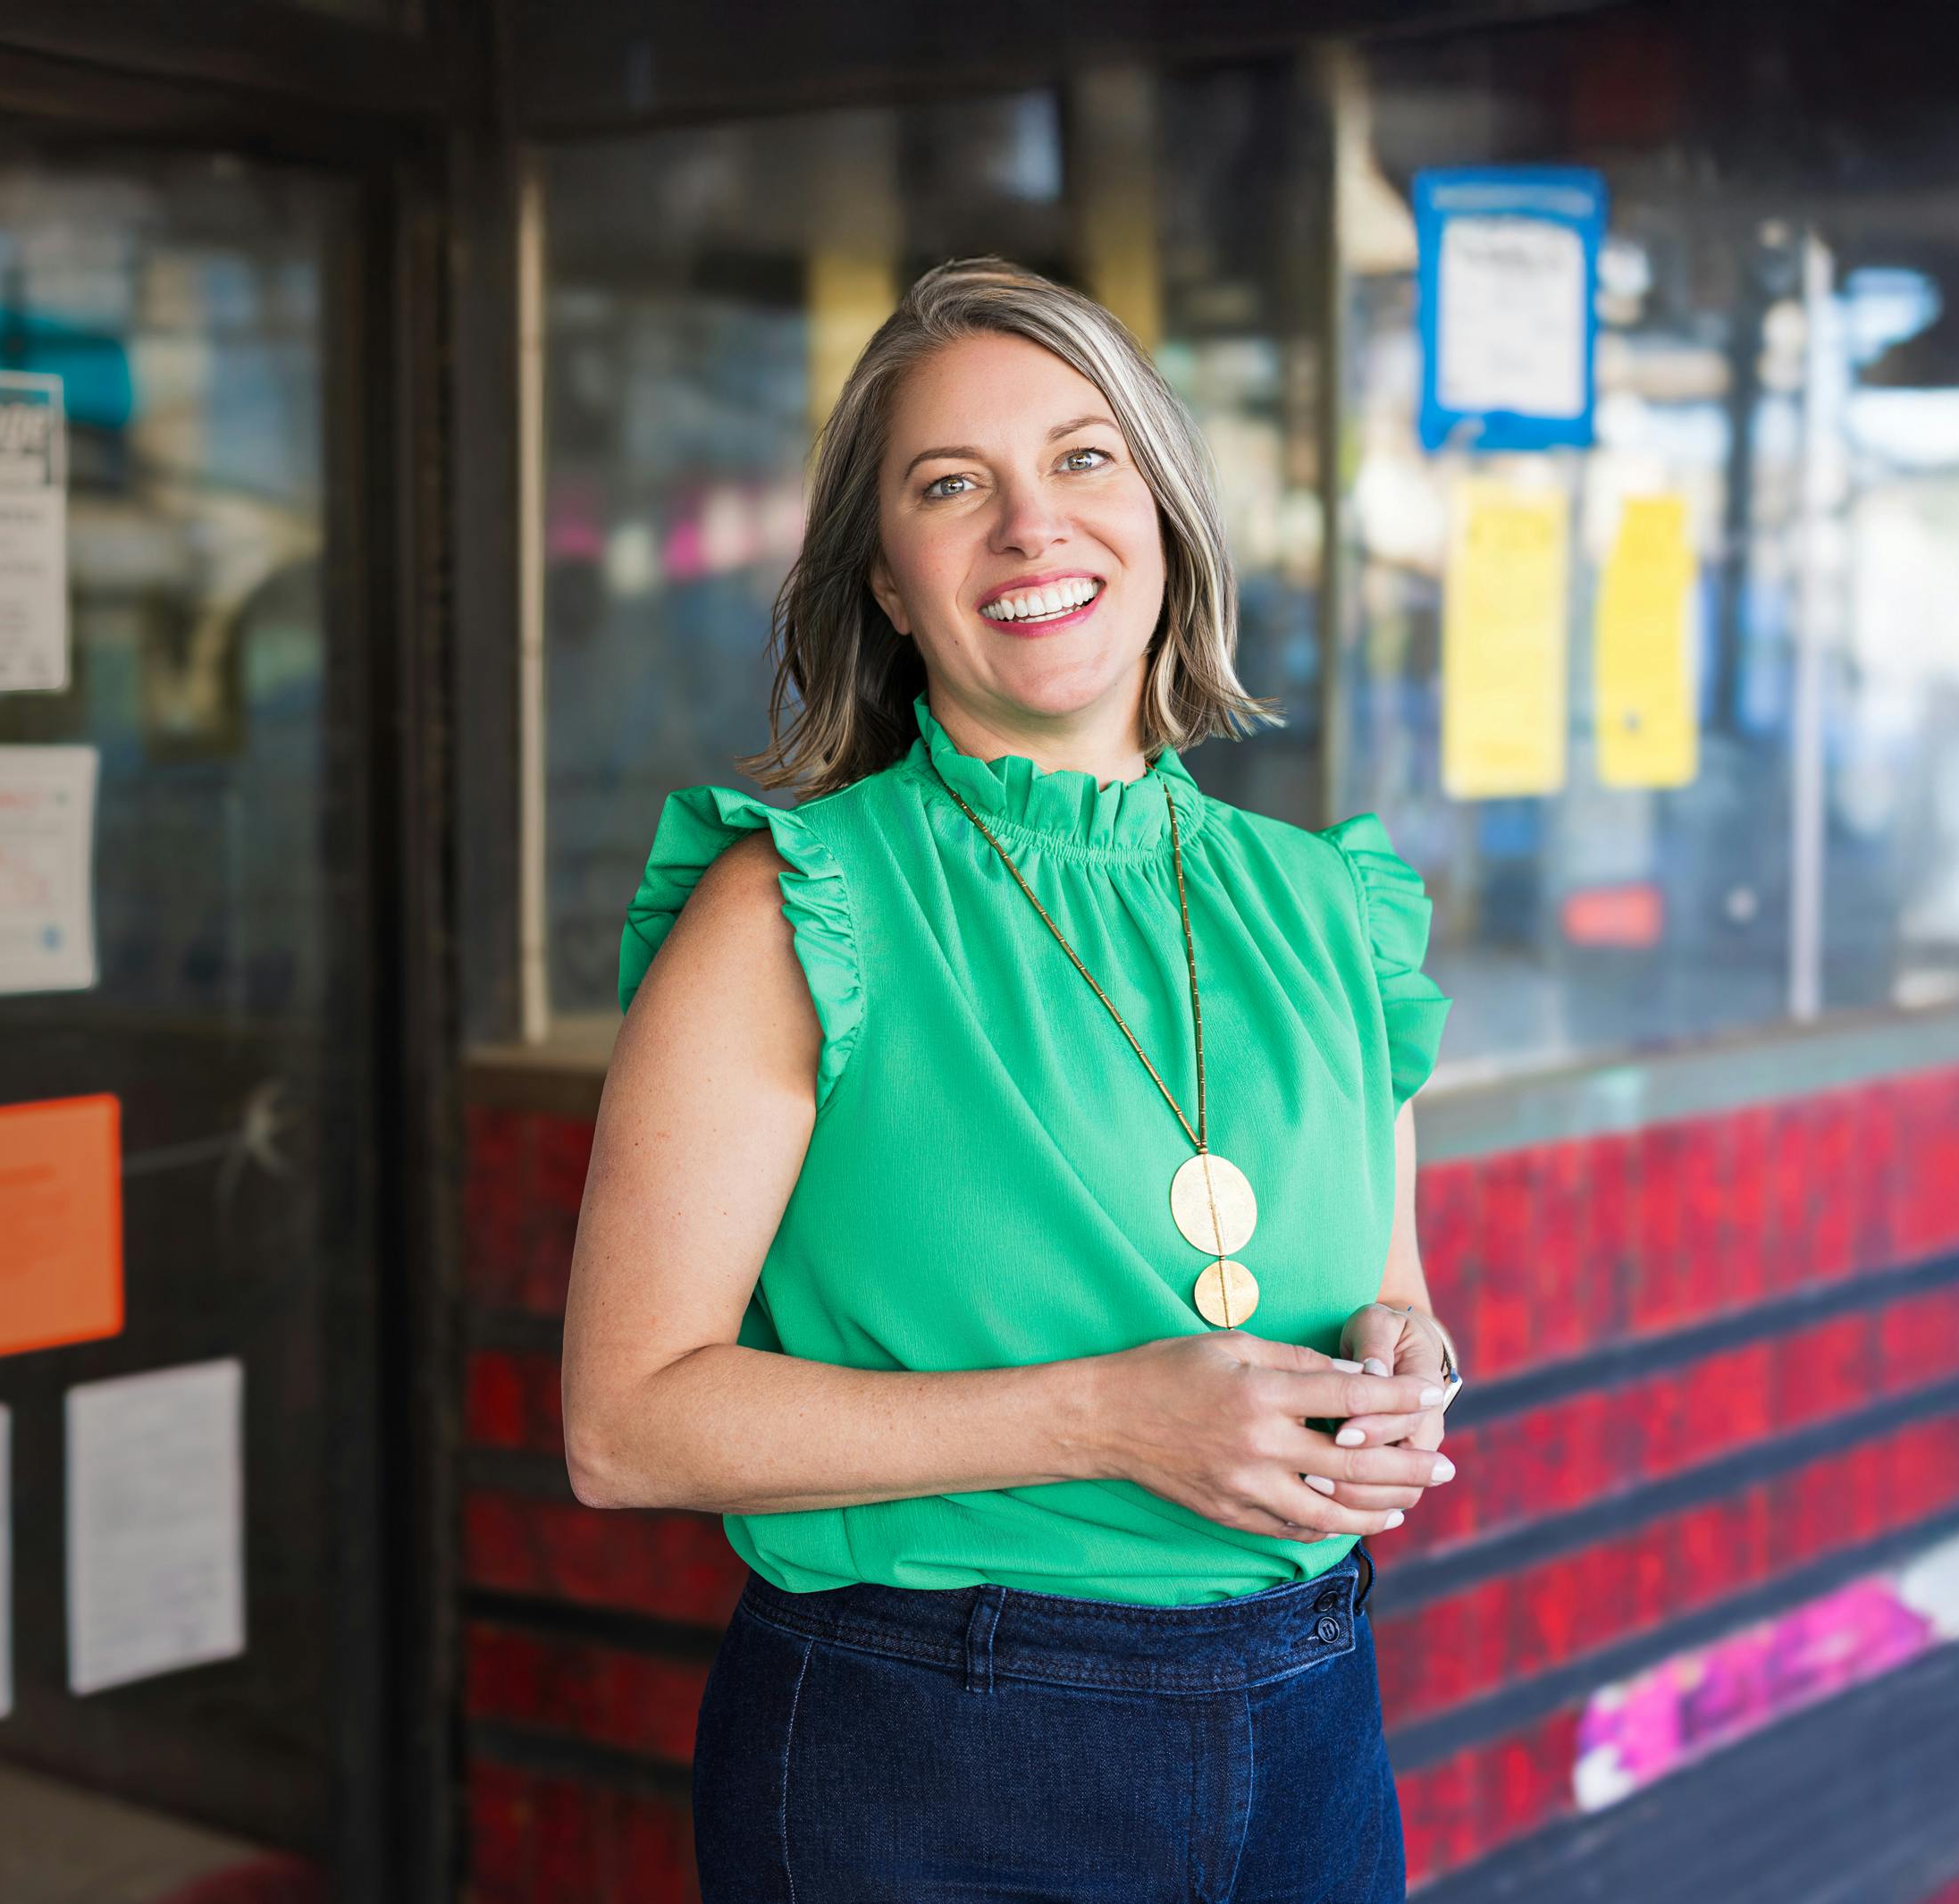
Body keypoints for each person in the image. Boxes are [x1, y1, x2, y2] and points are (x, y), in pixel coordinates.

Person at [559, 258, 1461, 1902]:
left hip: (1312, 1715)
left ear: (1169, 516)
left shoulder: (1332, 907)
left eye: (1083, 458)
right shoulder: (793, 907)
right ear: (890, 585)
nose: (1032, 526)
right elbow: (625, 1423)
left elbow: (1392, 1291)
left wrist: (1404, 1370)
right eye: (950, 484)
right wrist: (1119, 1418)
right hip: (928, 1747)